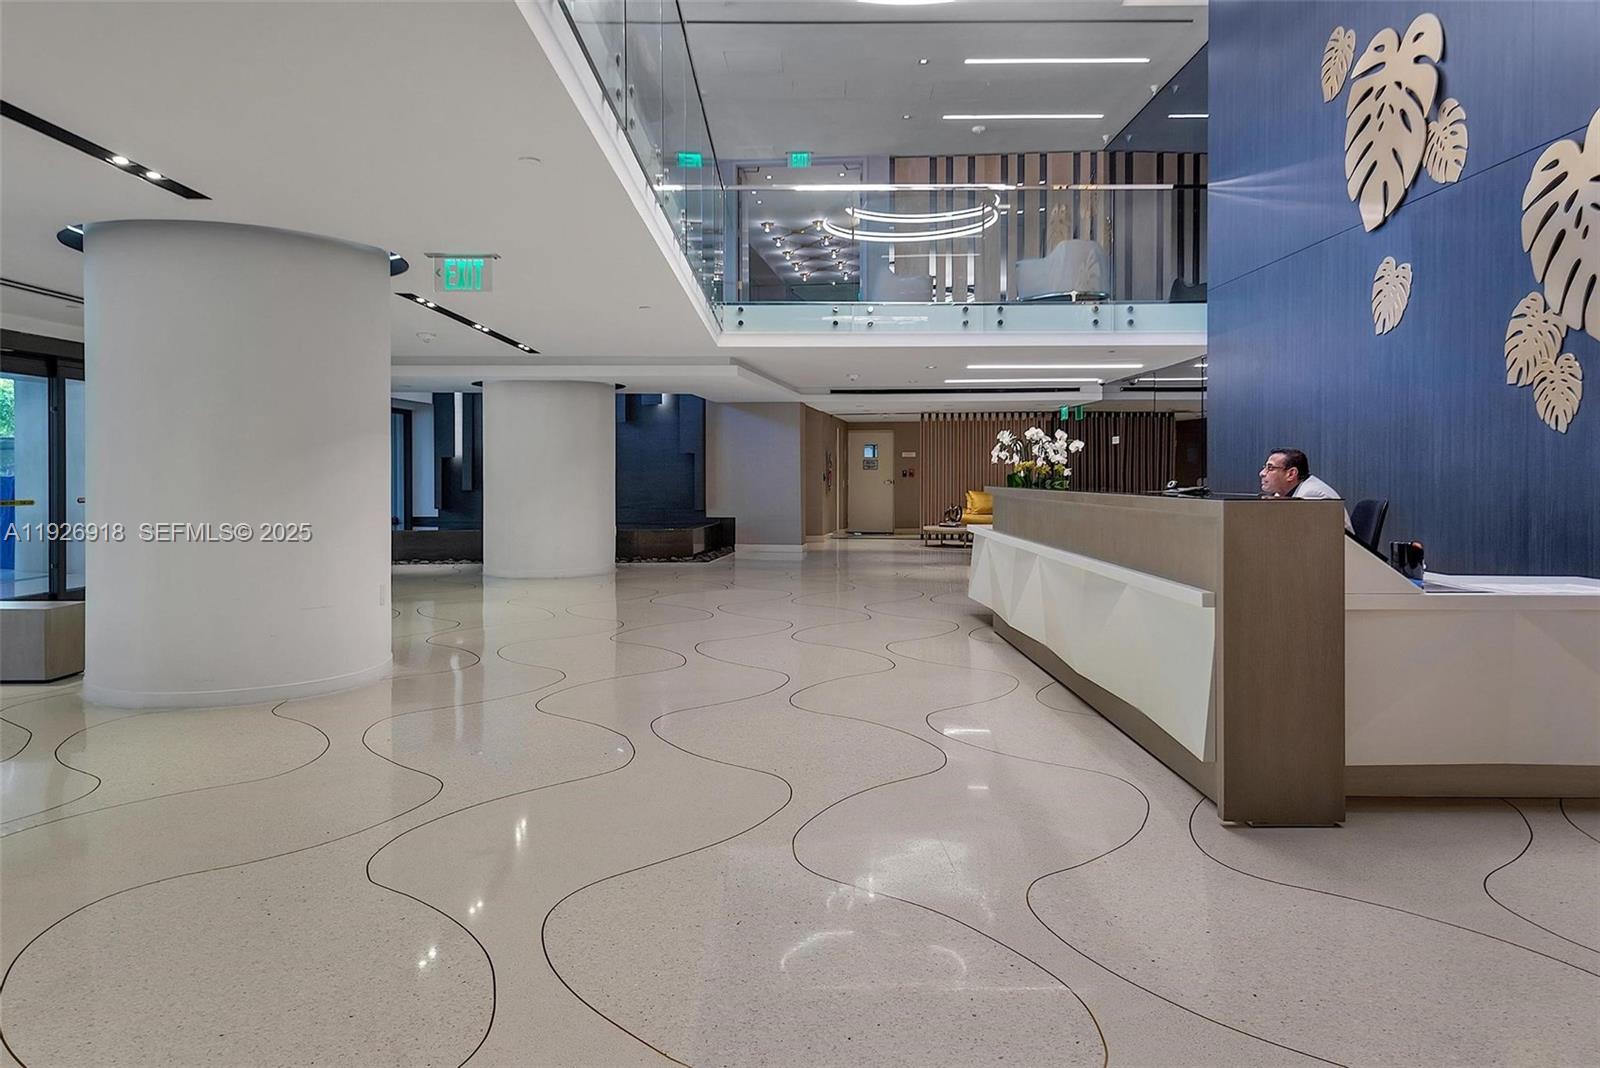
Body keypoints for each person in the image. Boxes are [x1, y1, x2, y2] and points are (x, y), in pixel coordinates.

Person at [1259, 448, 1352, 532]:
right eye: (1265, 468)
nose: (1262, 473)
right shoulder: (1281, 493)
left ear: (1291, 474)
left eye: (1270, 468)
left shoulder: (1313, 495)